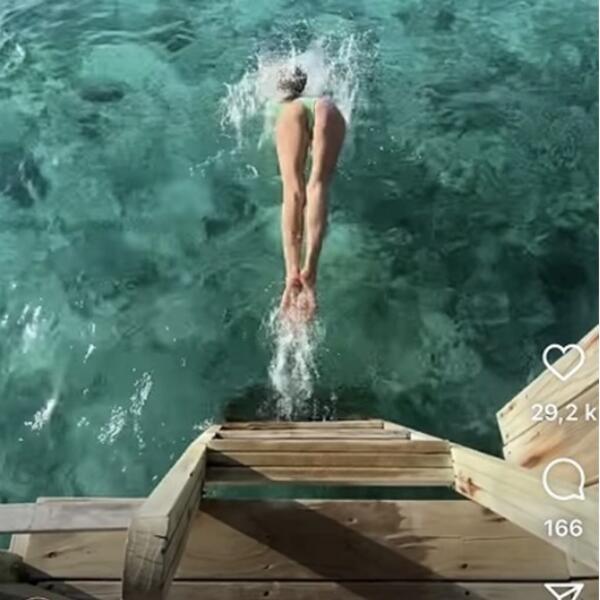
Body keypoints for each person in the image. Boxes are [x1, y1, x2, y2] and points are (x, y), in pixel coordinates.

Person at [272, 65, 346, 321]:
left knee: (293, 188)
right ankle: (310, 271)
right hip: (331, 111)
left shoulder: (285, 108)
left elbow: (293, 194)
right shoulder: (321, 101)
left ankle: (293, 272)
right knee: (318, 185)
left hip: (295, 115)